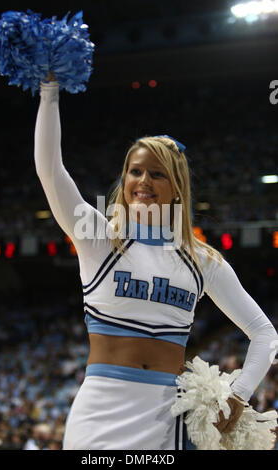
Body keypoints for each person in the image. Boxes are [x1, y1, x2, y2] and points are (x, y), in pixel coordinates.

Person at [34, 73, 278, 450]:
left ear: (176, 186)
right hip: (100, 411)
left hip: (166, 420)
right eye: (135, 171)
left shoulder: (201, 260)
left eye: (156, 173)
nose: (143, 180)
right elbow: (51, 172)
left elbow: (264, 333)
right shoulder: (98, 236)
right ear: (124, 179)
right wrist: (49, 92)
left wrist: (239, 393)